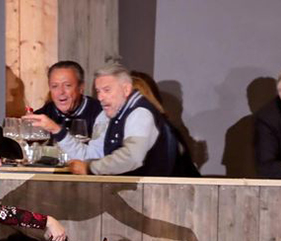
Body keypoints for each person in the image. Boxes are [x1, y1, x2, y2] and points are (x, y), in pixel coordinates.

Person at [26, 61, 177, 176]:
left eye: (107, 90)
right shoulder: (112, 115)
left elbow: (132, 157)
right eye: (98, 91)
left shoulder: (139, 113)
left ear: (126, 89)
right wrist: (57, 130)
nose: (101, 97)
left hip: (158, 196)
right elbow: (92, 154)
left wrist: (90, 168)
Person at [31, 61, 102, 136]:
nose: (61, 92)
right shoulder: (42, 116)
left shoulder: (100, 113)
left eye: (67, 85)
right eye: (54, 86)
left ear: (81, 87)